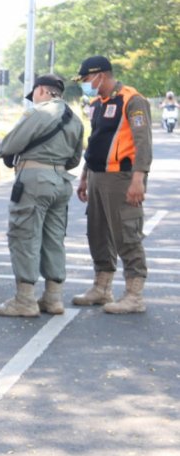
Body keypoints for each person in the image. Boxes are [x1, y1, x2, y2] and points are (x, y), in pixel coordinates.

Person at [0, 74, 84, 317]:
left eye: (33, 94)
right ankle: (53, 298)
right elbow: (75, 159)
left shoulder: (38, 113)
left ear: (42, 90)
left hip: (34, 181)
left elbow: (9, 145)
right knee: (54, 238)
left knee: (25, 235)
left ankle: (25, 300)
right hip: (61, 182)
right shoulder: (74, 119)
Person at [72, 55, 152, 314]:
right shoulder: (96, 103)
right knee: (98, 233)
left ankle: (134, 294)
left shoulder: (132, 100)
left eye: (86, 79)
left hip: (122, 177)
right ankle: (102, 287)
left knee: (127, 234)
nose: (85, 84)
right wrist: (84, 176)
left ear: (101, 75)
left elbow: (143, 143)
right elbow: (95, 141)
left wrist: (138, 178)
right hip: (96, 175)